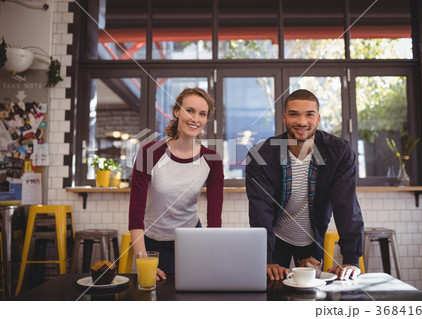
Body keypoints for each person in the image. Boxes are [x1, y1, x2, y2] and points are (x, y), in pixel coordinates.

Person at [245, 89, 364, 281]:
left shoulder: (340, 152)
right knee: (271, 292)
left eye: (309, 114)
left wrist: (351, 259)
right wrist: (265, 259)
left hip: (312, 237)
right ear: (284, 118)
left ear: (318, 119)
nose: (301, 122)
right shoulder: (260, 156)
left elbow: (347, 206)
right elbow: (260, 212)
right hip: (275, 240)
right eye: (294, 114)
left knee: (312, 296)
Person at [128, 87, 224, 280]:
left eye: (202, 114)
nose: (195, 118)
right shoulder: (149, 153)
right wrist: (143, 260)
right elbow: (135, 212)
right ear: (177, 111)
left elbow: (214, 217)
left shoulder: (212, 160)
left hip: (192, 240)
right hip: (154, 242)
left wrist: (213, 254)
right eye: (190, 110)